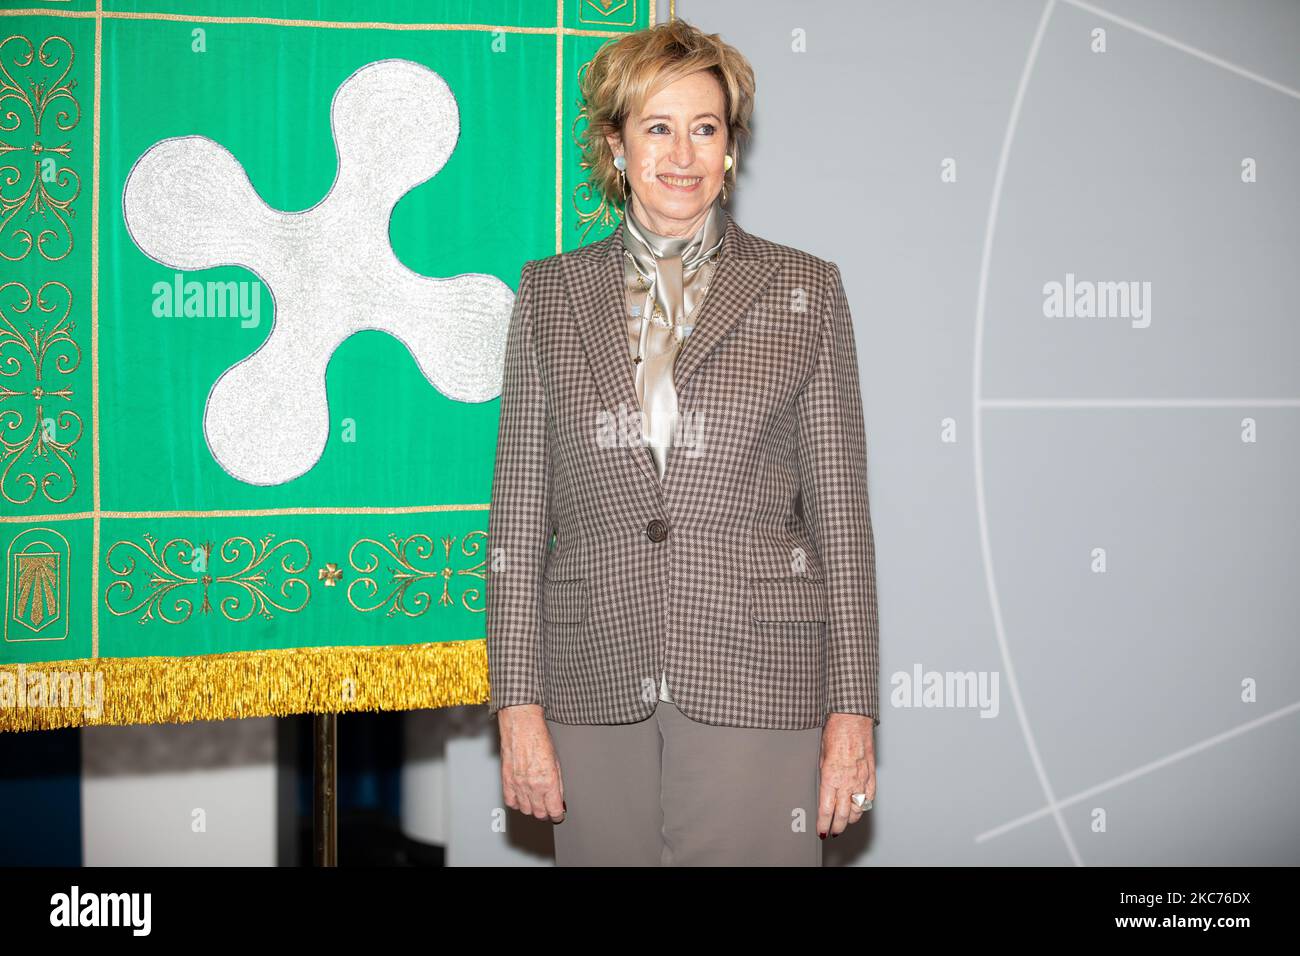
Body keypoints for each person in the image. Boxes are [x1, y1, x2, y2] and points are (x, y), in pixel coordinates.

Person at [485, 18, 879, 866]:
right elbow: (517, 520)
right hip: (591, 675)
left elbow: (842, 521)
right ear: (615, 147)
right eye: (656, 127)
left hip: (758, 675)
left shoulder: (806, 289)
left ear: (730, 148)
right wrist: (516, 706)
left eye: (705, 128)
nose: (682, 153)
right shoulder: (548, 296)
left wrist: (853, 711)